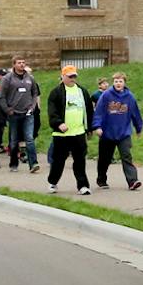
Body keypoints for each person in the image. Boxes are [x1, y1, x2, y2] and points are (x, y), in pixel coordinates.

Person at [44, 63, 95, 195]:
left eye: (74, 76)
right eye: (70, 76)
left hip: (78, 133)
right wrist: (58, 123)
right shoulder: (56, 93)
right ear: (63, 77)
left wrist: (89, 128)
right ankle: (53, 182)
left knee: (80, 160)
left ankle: (83, 185)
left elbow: (89, 110)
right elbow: (52, 111)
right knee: (58, 161)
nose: (72, 79)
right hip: (62, 135)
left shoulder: (82, 91)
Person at [93, 72, 143, 189]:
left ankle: (132, 181)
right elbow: (99, 112)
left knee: (126, 156)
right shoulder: (106, 95)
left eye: (120, 81)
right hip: (107, 133)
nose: (118, 83)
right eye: (116, 81)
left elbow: (135, 113)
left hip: (123, 133)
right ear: (113, 83)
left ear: (124, 83)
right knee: (104, 159)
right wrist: (97, 126)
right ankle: (101, 179)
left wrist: (138, 127)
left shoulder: (129, 97)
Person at [1, 58, 41, 172]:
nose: (22, 64)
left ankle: (33, 163)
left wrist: (33, 106)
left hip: (28, 113)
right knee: (14, 140)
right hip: (14, 113)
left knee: (29, 138)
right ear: (14, 65)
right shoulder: (7, 79)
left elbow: (34, 93)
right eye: (19, 63)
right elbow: (1, 96)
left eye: (23, 62)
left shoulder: (30, 78)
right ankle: (14, 163)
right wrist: (7, 109)